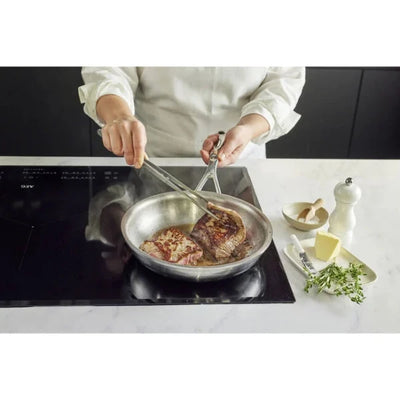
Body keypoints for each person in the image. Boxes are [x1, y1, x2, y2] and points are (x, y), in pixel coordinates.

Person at [78, 67, 305, 168]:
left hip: (243, 160)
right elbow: (109, 70)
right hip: (153, 159)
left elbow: (282, 83)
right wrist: (119, 115)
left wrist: (248, 128)